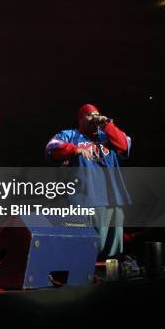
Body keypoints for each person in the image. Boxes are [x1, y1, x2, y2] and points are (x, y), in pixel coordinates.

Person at [45, 103, 131, 259]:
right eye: (90, 114)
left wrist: (107, 125)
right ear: (80, 119)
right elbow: (51, 147)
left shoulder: (108, 135)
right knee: (85, 250)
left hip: (112, 199)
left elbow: (125, 145)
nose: (94, 117)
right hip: (84, 199)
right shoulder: (69, 135)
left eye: (97, 114)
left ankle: (110, 280)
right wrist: (74, 149)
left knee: (113, 253)